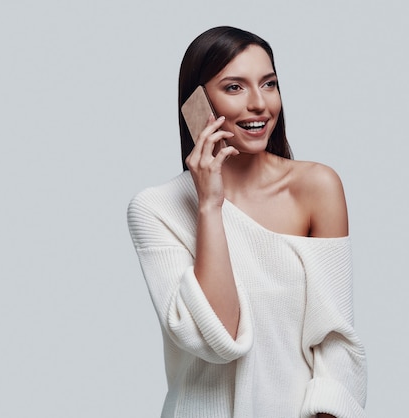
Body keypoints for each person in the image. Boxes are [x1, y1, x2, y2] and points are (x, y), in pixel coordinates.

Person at [127, 26, 367, 418]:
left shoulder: (316, 187)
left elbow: (335, 343)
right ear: (196, 103)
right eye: (235, 87)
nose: (259, 103)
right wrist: (209, 204)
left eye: (269, 84)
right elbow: (217, 338)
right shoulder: (155, 209)